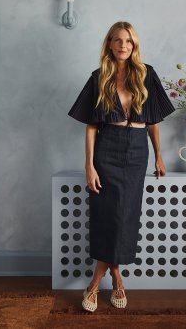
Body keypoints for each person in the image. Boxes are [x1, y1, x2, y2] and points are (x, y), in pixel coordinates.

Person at [68, 21, 176, 312]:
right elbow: (91, 126)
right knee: (106, 216)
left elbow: (153, 121)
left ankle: (96, 282)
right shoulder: (98, 77)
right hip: (108, 148)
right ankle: (115, 279)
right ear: (109, 44)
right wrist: (89, 165)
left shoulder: (146, 74)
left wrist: (159, 156)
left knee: (125, 216)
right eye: (117, 40)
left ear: (134, 45)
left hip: (138, 149)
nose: (123, 46)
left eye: (128, 41)